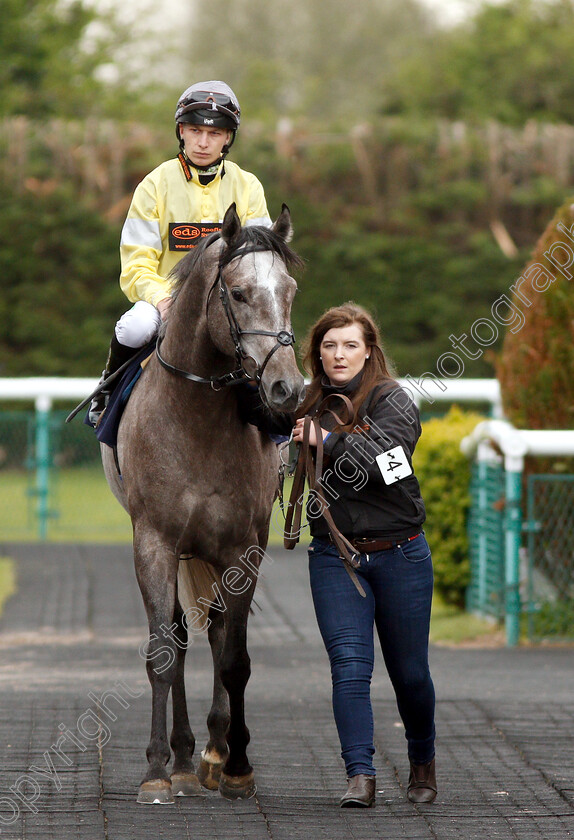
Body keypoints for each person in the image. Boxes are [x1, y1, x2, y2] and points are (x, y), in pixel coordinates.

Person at [290, 302, 437, 809]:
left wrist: (326, 440)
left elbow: (390, 467)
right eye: (329, 345)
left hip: (403, 555)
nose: (338, 354)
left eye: (350, 344)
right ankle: (361, 775)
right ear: (317, 352)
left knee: (410, 674)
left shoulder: (393, 399)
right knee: (349, 665)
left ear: (369, 350)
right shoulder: (304, 402)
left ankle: (422, 761)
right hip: (335, 557)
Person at [89, 80, 271, 424]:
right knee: (135, 327)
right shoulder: (153, 185)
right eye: (195, 130)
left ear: (228, 138)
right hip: (167, 302)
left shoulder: (249, 186)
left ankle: (277, 420)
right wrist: (162, 300)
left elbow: (261, 262)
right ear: (181, 131)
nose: (203, 142)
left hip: (230, 303)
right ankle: (108, 388)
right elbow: (136, 264)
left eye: (214, 133)